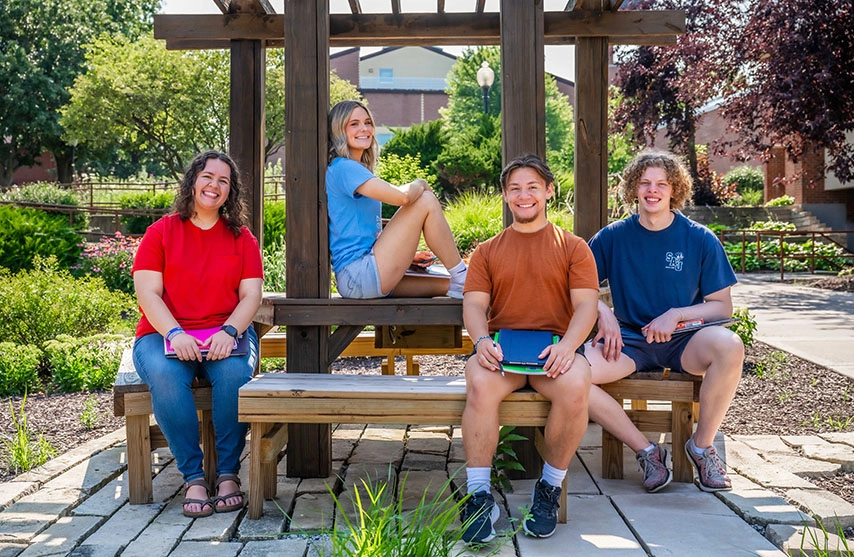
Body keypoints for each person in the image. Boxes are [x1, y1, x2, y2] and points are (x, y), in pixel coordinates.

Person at [585, 151, 744, 494]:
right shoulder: (611, 237)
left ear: (675, 189)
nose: (652, 190)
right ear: (633, 188)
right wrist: (604, 313)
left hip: (684, 340)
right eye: (644, 183)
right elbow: (576, 289)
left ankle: (701, 447)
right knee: (571, 374)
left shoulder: (699, 238)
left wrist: (677, 314)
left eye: (661, 184)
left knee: (730, 347)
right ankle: (647, 451)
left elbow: (721, 307)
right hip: (628, 339)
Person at [460, 154, 600, 542]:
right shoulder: (487, 251)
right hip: (500, 351)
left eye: (533, 187)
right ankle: (478, 498)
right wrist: (481, 341)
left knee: (576, 386)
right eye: (515, 189)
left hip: (555, 351)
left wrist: (570, 347)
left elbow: (587, 304)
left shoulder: (574, 248)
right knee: (480, 385)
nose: (524, 196)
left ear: (549, 191)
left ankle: (549, 489)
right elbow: (473, 305)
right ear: (505, 195)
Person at [132, 151, 263, 518]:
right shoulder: (160, 233)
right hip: (164, 334)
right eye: (208, 177)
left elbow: (251, 295)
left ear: (230, 192)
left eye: (224, 181)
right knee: (164, 375)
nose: (214, 186)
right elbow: (148, 294)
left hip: (226, 332)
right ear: (192, 181)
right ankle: (193, 477)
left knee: (236, 375)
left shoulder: (241, 238)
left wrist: (230, 330)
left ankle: (227, 475)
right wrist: (175, 333)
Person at [326, 100, 467, 299]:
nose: (364, 128)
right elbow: (403, 197)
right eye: (354, 124)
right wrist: (420, 182)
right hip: (359, 274)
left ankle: (471, 291)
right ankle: (462, 273)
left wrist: (405, 256)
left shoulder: (353, 169)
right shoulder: (344, 168)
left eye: (367, 122)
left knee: (459, 287)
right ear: (339, 130)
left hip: (363, 276)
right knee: (424, 200)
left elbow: (361, 233)